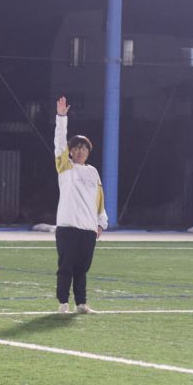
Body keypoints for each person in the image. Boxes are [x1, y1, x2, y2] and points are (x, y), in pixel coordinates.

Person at [54, 96, 107, 314]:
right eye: (76, 147)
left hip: (88, 229)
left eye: (84, 148)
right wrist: (61, 118)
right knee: (65, 267)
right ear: (70, 151)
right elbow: (59, 143)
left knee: (82, 268)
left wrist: (100, 223)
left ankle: (81, 304)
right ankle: (63, 303)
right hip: (68, 227)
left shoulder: (93, 172)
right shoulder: (65, 168)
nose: (80, 151)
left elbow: (99, 200)